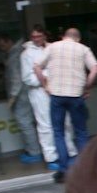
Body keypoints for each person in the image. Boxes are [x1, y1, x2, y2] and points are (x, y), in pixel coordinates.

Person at [41, 27, 97, 183]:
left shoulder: (52, 47)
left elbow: (36, 66)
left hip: (57, 95)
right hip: (75, 95)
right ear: (78, 39)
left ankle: (63, 170)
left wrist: (45, 84)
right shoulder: (83, 49)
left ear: (64, 37)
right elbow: (95, 69)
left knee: (58, 132)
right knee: (81, 132)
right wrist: (86, 87)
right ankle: (86, 170)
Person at [0, 33, 44, 164]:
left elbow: (16, 78)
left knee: (25, 123)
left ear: (8, 41)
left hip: (21, 94)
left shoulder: (15, 55)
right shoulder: (23, 50)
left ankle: (34, 152)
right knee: (35, 122)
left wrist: (12, 97)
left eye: (2, 45)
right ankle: (37, 150)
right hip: (29, 91)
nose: (1, 48)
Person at [21, 26, 60, 168]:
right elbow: (27, 78)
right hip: (38, 92)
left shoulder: (53, 47)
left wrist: (45, 75)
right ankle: (51, 157)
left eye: (39, 36)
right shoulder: (26, 54)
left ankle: (66, 152)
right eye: (34, 37)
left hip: (57, 89)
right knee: (45, 125)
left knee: (63, 121)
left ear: (44, 36)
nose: (36, 39)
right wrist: (45, 78)